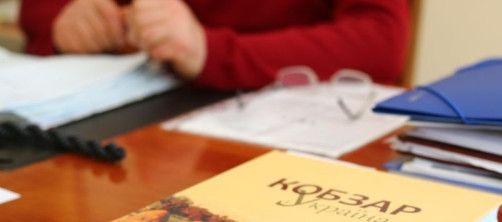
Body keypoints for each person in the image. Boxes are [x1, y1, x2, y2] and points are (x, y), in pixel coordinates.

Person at [18, 0, 410, 90]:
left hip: (284, 124)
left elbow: (380, 40)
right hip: (134, 111)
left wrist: (210, 51)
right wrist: (65, 18)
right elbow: (36, 9)